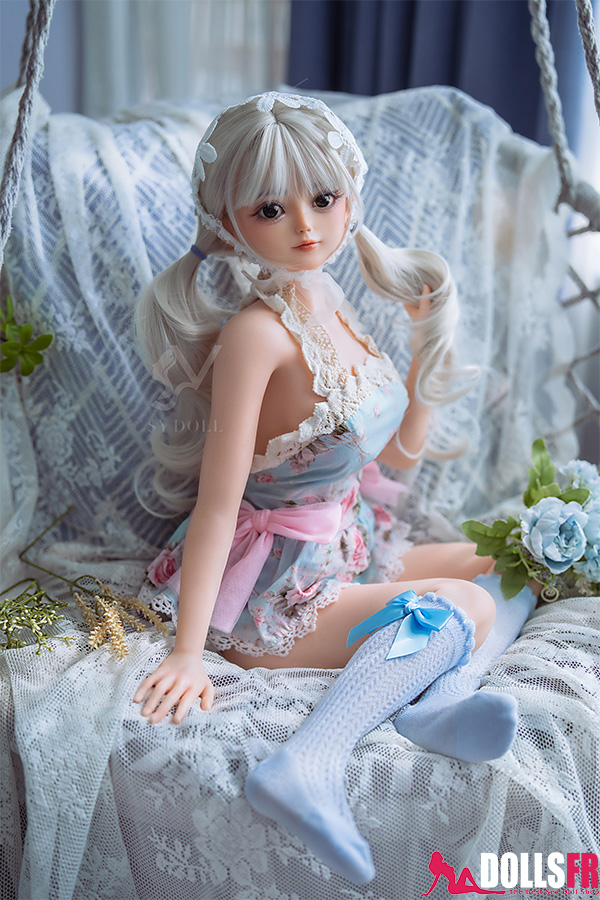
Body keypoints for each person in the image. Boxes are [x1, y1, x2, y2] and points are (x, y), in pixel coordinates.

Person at [133, 92, 535, 884]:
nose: (305, 227)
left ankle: (434, 699)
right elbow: (217, 505)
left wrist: (424, 349)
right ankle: (309, 760)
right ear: (229, 221)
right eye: (270, 209)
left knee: (507, 564)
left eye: (322, 198)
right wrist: (187, 652)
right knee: (461, 605)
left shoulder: (331, 299)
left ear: (350, 192)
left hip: (343, 544)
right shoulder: (255, 334)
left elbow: (392, 464)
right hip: (273, 586)